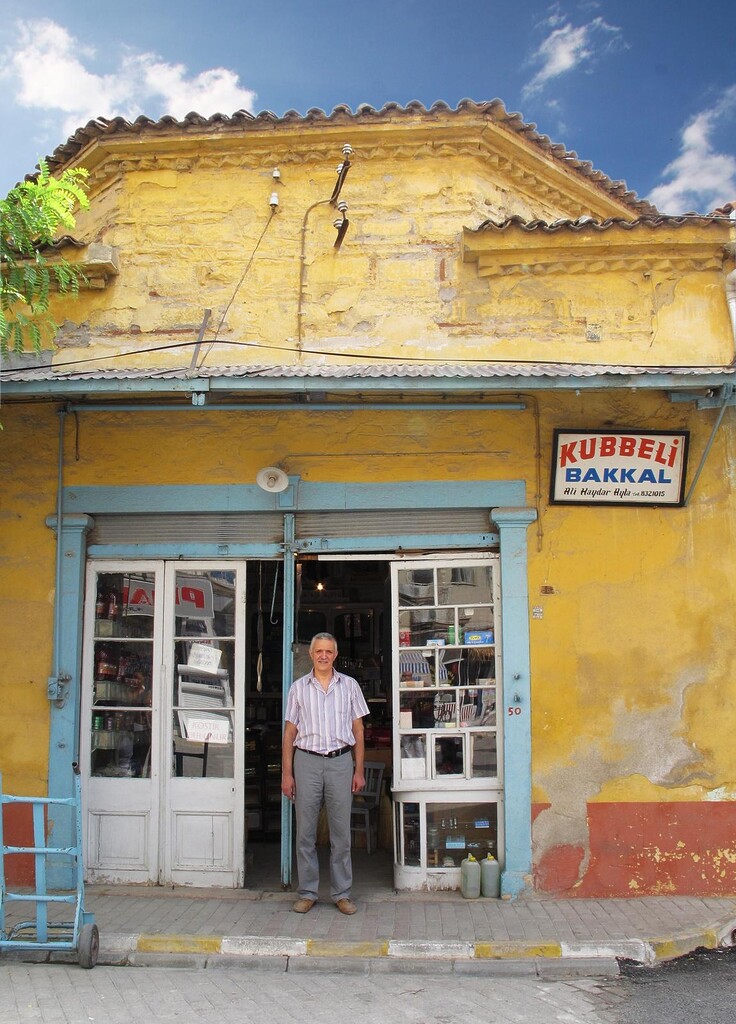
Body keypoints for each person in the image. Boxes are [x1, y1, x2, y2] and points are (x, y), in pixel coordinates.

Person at [281, 632, 369, 915]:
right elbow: (289, 734)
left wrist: (359, 769)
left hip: (340, 762)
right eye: (318, 651)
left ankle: (342, 894)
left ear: (335, 654)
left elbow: (358, 731)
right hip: (306, 762)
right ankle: (307, 892)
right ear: (311, 654)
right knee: (305, 832)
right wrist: (287, 774)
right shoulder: (298, 688)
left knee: (341, 833)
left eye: (328, 651)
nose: (323, 656)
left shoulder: (350, 686)